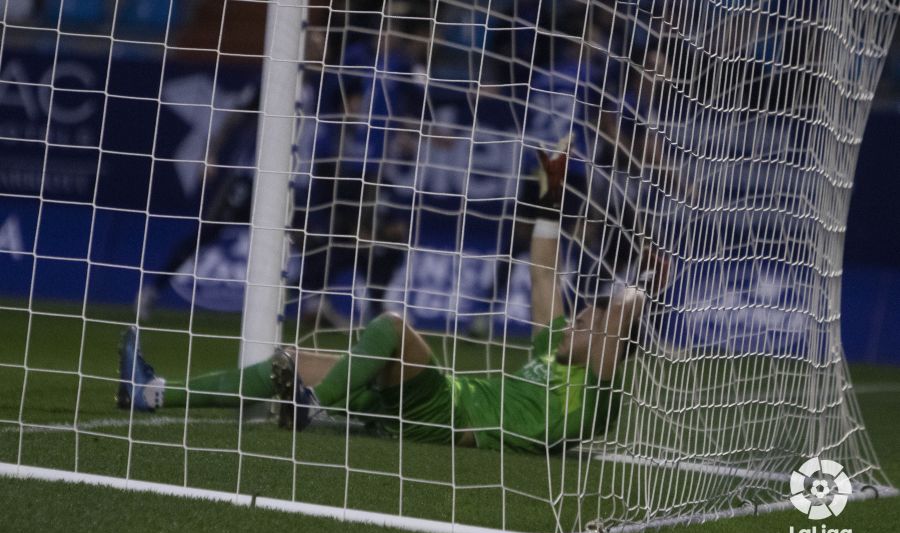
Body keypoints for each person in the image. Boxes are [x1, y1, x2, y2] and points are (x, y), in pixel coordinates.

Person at [117, 143, 669, 452]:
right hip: (428, 398)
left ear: (611, 348)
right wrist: (550, 197)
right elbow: (544, 277)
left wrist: (644, 285)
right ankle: (155, 393)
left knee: (392, 327)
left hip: (448, 412)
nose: (577, 321)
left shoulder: (593, 398)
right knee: (293, 362)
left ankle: (312, 407)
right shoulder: (557, 352)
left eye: (591, 320)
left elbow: (619, 322)